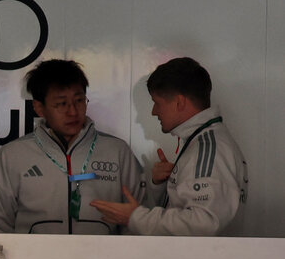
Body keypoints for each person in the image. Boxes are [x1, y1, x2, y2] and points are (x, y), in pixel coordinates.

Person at [0, 59, 145, 234]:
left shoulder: (117, 152)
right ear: (39, 107)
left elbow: (139, 218)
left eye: (79, 100)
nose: (73, 111)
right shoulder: (12, 156)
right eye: (61, 104)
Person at [90, 56, 249, 236]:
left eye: (157, 103)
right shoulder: (201, 143)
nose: (153, 111)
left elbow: (204, 222)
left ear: (179, 102)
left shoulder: (208, 148)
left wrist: (135, 217)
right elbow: (190, 212)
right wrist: (162, 186)